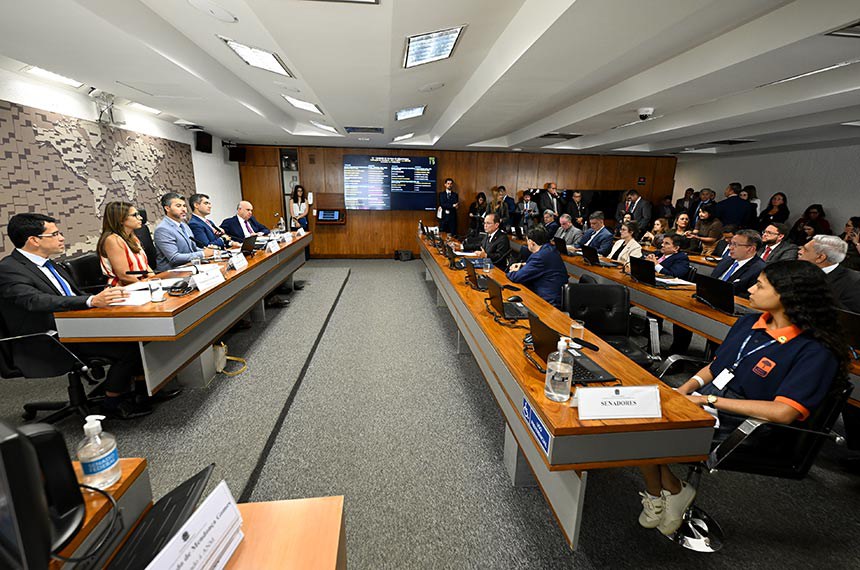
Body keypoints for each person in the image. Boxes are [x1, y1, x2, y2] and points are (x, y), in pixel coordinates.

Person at [637, 260, 847, 536]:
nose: (750, 288)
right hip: (711, 401)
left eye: (760, 285)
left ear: (787, 296)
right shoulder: (749, 322)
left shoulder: (814, 351)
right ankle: (663, 493)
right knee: (639, 417)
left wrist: (708, 402)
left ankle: (671, 490)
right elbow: (716, 367)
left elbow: (783, 412)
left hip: (751, 423)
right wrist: (684, 390)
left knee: (645, 433)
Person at [0, 213, 152, 419]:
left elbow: (72, 294)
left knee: (142, 331)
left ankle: (143, 391)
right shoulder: (9, 269)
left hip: (75, 325)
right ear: (33, 240)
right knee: (129, 346)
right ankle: (112, 402)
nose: (61, 238)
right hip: (47, 338)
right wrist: (90, 301)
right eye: (54, 234)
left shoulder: (51, 263)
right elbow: (36, 301)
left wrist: (104, 300)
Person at [506, 226, 568, 307]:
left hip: (548, 302)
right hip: (550, 294)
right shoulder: (549, 249)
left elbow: (516, 277)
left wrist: (512, 271)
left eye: (527, 240)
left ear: (532, 243)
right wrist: (522, 265)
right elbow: (537, 266)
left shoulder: (540, 256)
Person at [97, 202, 154, 287]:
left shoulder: (133, 237)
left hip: (141, 282)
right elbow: (124, 276)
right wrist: (148, 285)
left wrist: (156, 280)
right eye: (135, 215)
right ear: (121, 219)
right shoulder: (113, 240)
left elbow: (145, 267)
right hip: (122, 288)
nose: (140, 218)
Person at [798, 235, 860, 312]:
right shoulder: (798, 272)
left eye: (805, 250)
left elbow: (851, 319)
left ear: (820, 257)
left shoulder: (854, 281)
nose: (799, 251)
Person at [154, 193, 214, 271]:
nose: (184, 209)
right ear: (167, 208)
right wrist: (203, 254)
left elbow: (193, 248)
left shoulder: (184, 225)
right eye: (178, 206)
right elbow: (174, 258)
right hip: (171, 273)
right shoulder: (162, 229)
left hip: (189, 267)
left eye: (184, 206)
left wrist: (208, 251)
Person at [711, 229, 765, 298]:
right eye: (731, 243)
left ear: (751, 249)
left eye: (735, 245)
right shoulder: (726, 260)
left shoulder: (759, 269)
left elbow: (748, 296)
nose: (730, 248)